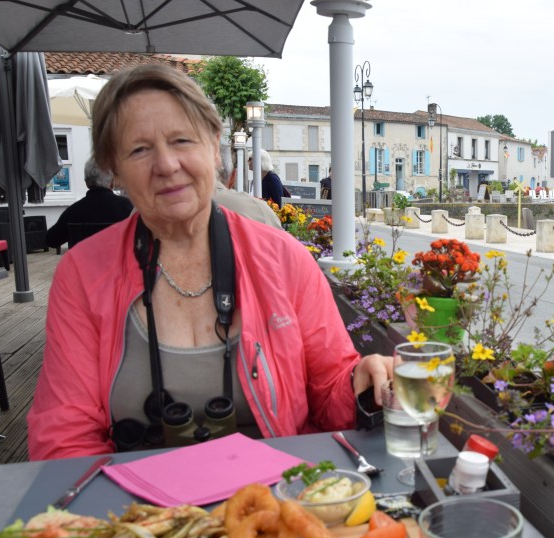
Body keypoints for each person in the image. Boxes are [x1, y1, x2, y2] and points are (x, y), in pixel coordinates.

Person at [28, 64, 392, 460]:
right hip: (134, 496)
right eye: (139, 149)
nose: (166, 165)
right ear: (114, 170)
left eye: (182, 140)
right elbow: (63, 437)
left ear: (214, 147)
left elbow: (329, 395)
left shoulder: (284, 259)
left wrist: (361, 384)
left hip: (274, 488)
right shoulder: (82, 273)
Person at [44, 158, 133, 249]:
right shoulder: (128, 207)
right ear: (112, 182)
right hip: (119, 258)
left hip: (82, 258)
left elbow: (51, 241)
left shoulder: (73, 211)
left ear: (86, 183)